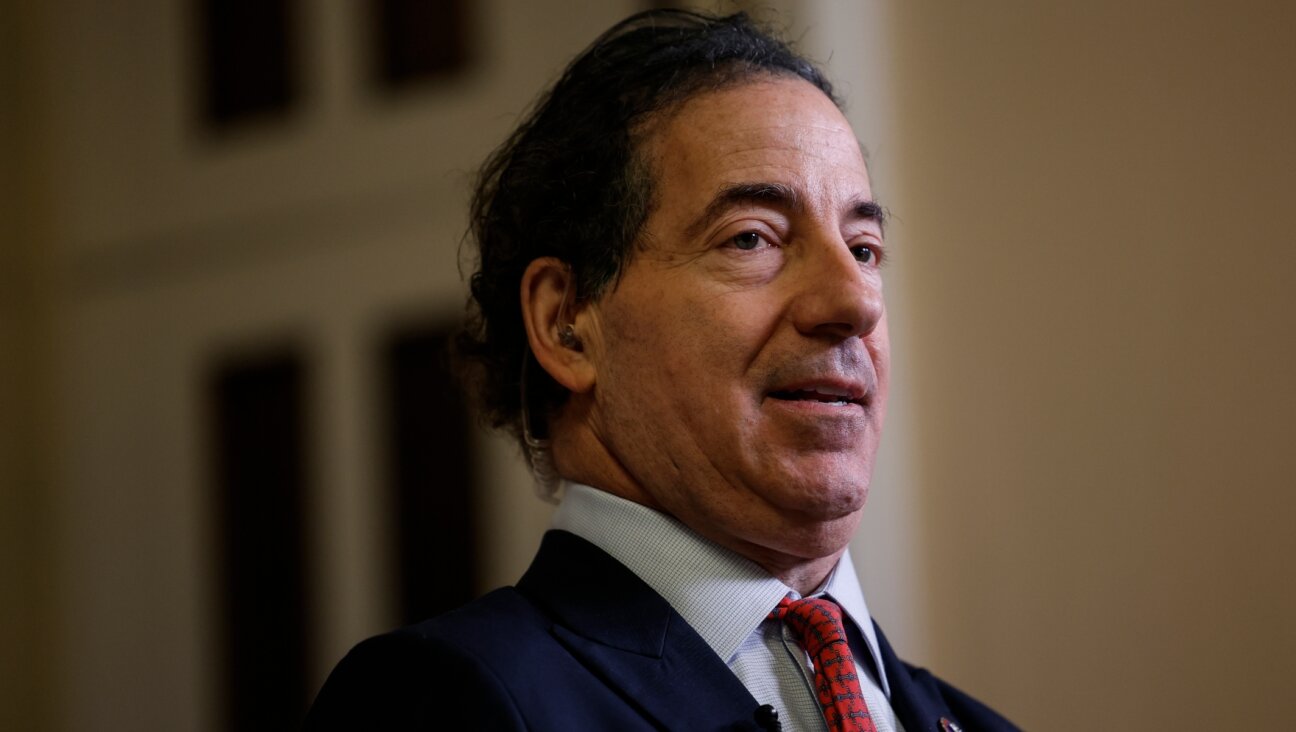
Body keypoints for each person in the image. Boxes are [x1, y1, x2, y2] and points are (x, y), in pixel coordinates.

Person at [306, 10, 1018, 732]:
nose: (855, 301)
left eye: (863, 248)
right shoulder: (445, 699)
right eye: (752, 239)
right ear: (568, 325)